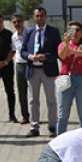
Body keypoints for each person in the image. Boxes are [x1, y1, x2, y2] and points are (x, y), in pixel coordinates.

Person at [21, 7, 61, 137]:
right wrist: (30, 57)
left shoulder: (53, 32)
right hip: (33, 70)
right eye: (37, 16)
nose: (39, 18)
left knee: (51, 100)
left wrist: (46, 56)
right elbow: (22, 51)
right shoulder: (28, 32)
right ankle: (34, 127)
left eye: (42, 16)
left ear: (46, 17)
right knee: (33, 100)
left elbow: (58, 51)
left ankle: (53, 126)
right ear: (34, 17)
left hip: (48, 70)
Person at [56, 21, 82, 135]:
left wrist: (73, 51)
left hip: (81, 81)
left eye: (78, 30)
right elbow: (62, 56)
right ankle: (60, 139)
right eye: (72, 30)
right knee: (63, 115)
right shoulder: (63, 45)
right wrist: (67, 43)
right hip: (65, 79)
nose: (75, 33)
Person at [10, 14, 30, 124]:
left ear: (23, 22)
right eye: (14, 22)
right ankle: (25, 115)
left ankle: (35, 115)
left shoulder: (30, 33)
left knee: (33, 92)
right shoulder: (14, 37)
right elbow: (14, 50)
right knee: (22, 92)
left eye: (19, 21)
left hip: (30, 64)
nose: (17, 24)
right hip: (19, 65)